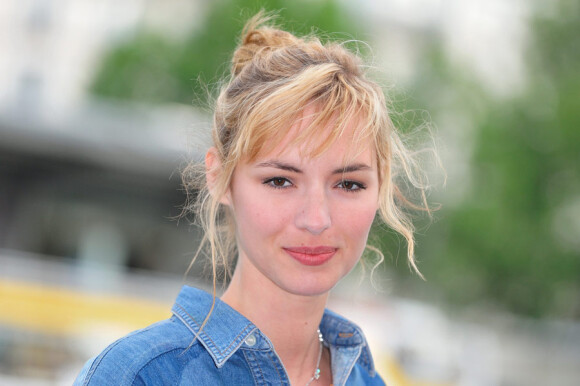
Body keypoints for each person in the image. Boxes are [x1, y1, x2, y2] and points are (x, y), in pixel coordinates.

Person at [74, 12, 433, 386]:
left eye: (348, 184)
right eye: (280, 181)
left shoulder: (369, 380)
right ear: (219, 178)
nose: (316, 219)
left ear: (381, 189)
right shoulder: (139, 376)